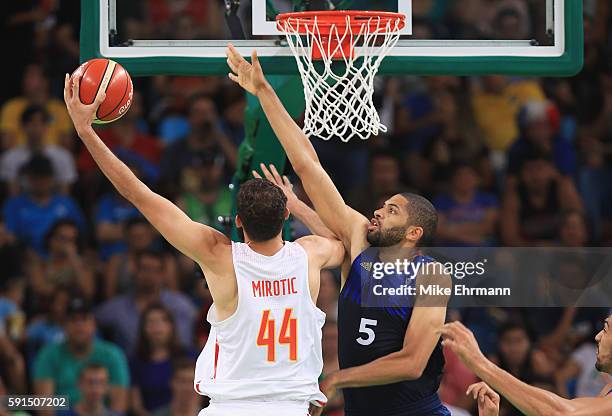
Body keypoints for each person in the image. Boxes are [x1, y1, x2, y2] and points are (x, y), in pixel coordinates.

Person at [64, 72, 345, 416]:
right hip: (291, 408)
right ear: (286, 217)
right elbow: (341, 240)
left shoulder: (220, 256)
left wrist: (85, 132)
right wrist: (300, 204)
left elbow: (137, 193)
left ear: (237, 222)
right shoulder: (310, 254)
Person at [227, 45, 451, 416]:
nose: (378, 211)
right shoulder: (361, 241)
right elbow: (307, 165)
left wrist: (336, 380)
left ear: (414, 233)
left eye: (392, 211)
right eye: (382, 205)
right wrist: (264, 91)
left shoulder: (431, 276)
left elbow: (412, 362)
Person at [440, 318, 612, 416]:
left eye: (605, 330)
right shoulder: (607, 390)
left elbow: (561, 413)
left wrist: (480, 364)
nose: (597, 337)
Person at [33, 297, 129, 415]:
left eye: (84, 319)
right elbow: (44, 407)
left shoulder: (112, 354)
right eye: (73, 320)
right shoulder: (48, 354)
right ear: (64, 325)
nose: (79, 326)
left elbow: (118, 406)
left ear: (94, 324)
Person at [129, 304, 196, 415]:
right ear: (143, 328)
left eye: (162, 320)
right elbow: (136, 406)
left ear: (171, 326)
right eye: (151, 322)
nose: (157, 326)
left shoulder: (189, 356)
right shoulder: (136, 361)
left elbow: (199, 394)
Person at [0, 105, 77, 195]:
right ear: (22, 126)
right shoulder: (10, 158)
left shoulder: (63, 157)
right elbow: (14, 196)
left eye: (41, 123)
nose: (36, 128)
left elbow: (64, 197)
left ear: (47, 126)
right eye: (31, 123)